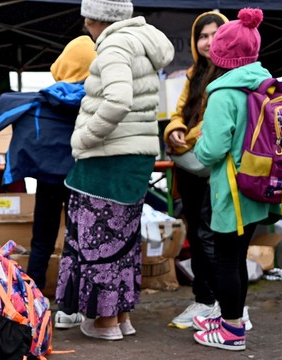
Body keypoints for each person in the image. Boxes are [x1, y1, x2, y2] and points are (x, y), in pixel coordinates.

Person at [0, 35, 97, 329]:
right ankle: (69, 307)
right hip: (82, 178)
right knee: (78, 241)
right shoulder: (96, 103)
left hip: (46, 177)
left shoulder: (40, 98)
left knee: (42, 240)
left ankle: (30, 302)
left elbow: (0, 111)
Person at [56, 0, 173, 341]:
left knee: (96, 241)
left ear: (94, 18)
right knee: (123, 241)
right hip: (136, 155)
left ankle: (105, 322)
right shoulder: (142, 41)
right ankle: (121, 317)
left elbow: (118, 99)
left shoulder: (113, 45)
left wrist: (84, 137)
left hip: (106, 159)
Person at [191, 8, 272, 351]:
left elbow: (210, 151)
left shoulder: (224, 93)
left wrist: (197, 143)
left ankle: (232, 330)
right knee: (236, 256)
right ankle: (229, 316)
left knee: (225, 259)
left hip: (233, 188)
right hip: (258, 184)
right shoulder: (263, 84)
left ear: (222, 54)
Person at [162, 11, 233, 330]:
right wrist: (173, 130)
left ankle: (222, 303)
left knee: (209, 234)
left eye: (215, 34)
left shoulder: (229, 74)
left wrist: (182, 140)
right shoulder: (194, 72)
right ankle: (203, 299)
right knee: (195, 229)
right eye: (202, 36)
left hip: (215, 165)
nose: (208, 41)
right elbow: (179, 112)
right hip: (189, 166)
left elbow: (215, 125)